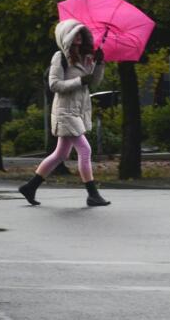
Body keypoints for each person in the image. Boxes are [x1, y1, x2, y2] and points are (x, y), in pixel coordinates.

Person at [19, 19, 109, 207]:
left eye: (81, 34)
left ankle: (30, 186)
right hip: (65, 112)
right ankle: (92, 194)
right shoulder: (59, 57)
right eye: (75, 33)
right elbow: (54, 85)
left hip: (78, 110)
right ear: (66, 36)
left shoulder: (85, 58)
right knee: (85, 149)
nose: (79, 37)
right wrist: (79, 81)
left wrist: (99, 64)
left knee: (60, 154)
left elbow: (93, 83)